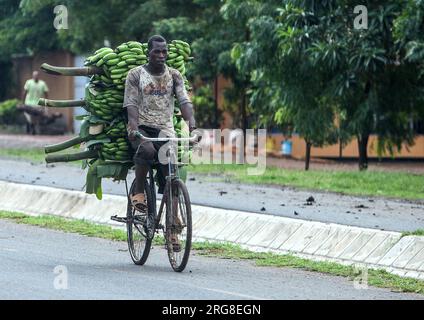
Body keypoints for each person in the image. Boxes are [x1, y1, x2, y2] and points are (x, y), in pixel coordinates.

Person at [123, 35, 197, 212]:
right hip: (141, 128)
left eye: (164, 51)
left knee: (170, 170)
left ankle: (174, 220)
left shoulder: (174, 75)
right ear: (148, 53)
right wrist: (134, 129)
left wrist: (192, 123)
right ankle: (139, 191)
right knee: (147, 150)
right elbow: (131, 104)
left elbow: (184, 101)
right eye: (157, 51)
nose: (161, 55)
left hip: (165, 130)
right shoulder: (135, 75)